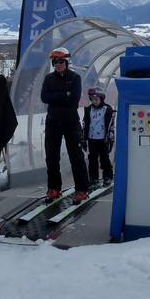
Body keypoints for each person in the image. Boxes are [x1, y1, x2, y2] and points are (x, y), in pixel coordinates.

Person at [40, 48, 89, 202]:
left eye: (61, 61)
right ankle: (54, 188)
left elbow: (74, 99)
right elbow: (44, 97)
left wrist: (56, 97)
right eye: (55, 62)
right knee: (51, 157)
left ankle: (81, 189)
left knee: (76, 157)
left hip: (70, 122)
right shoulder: (49, 79)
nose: (58, 64)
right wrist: (64, 94)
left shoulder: (75, 78)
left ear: (67, 62)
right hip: (53, 123)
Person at [82, 86, 114, 185]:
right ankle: (93, 177)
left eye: (96, 99)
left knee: (104, 159)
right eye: (92, 99)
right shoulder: (88, 109)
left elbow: (110, 126)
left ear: (101, 98)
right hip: (92, 139)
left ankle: (107, 176)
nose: (94, 101)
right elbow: (85, 124)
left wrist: (110, 139)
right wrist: (84, 138)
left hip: (103, 139)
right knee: (92, 159)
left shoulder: (107, 109)